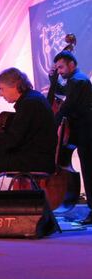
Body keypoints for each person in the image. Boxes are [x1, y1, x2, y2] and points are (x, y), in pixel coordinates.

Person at [52, 51, 92, 225]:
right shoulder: (76, 80)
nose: (59, 71)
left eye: (61, 67)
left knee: (90, 172)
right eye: (57, 68)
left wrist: (51, 124)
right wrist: (53, 79)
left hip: (87, 132)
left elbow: (66, 107)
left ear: (71, 64)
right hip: (84, 132)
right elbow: (62, 91)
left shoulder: (78, 80)